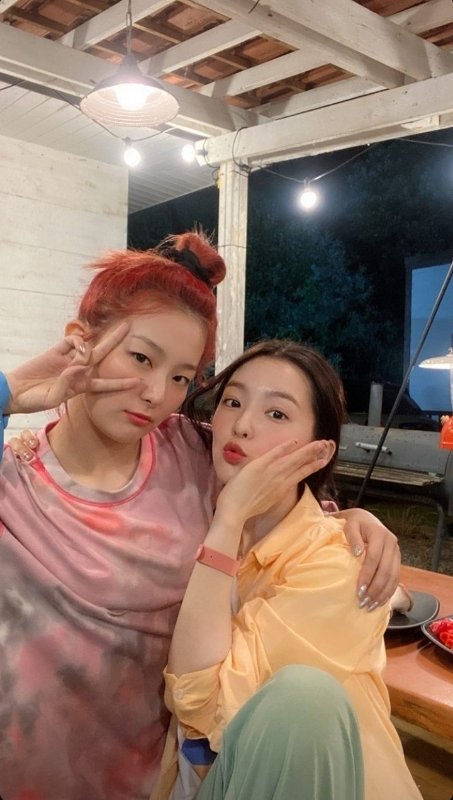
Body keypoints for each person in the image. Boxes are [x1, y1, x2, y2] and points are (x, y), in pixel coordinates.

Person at [0, 234, 400, 800]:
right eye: (142, 358)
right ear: (80, 342)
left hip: (155, 777)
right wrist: (9, 392)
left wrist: (348, 518)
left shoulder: (188, 452)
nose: (155, 393)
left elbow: (271, 490)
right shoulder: (13, 479)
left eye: (182, 378)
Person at [164, 340, 421, 800]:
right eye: (232, 402)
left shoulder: (340, 562)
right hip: (198, 780)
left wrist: (229, 521)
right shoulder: (188, 504)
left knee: (305, 693)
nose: (242, 425)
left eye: (277, 413)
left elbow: (202, 705)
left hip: (319, 784)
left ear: (319, 452)